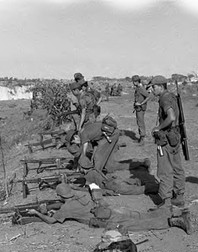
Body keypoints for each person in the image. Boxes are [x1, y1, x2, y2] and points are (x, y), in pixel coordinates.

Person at [24, 184, 191, 234]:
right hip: (112, 210)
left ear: (61, 197)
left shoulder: (67, 208)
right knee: (142, 215)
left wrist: (37, 213)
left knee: (141, 225)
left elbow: (52, 221)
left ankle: (174, 221)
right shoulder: (79, 193)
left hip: (106, 220)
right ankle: (176, 210)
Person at [149, 75, 186, 208]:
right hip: (175, 136)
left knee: (164, 169)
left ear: (160, 86)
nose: (152, 90)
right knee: (177, 167)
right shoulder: (171, 96)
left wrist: (158, 127)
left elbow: (171, 117)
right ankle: (179, 196)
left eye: (153, 87)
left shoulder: (164, 98)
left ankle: (165, 200)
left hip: (166, 138)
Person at [66, 119, 150, 173]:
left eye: (74, 142)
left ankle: (95, 177)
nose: (76, 144)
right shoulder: (84, 130)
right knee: (110, 167)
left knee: (98, 159)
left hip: (111, 136)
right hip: (109, 136)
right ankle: (140, 163)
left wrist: (80, 164)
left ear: (75, 137)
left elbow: (83, 153)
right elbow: (95, 145)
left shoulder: (83, 135)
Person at [132, 75, 152, 144]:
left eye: (134, 81)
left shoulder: (141, 88)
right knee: (139, 122)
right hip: (138, 108)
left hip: (140, 108)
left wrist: (141, 103)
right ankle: (141, 138)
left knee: (140, 122)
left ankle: (142, 138)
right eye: (133, 81)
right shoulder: (138, 88)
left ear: (137, 81)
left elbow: (148, 96)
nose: (133, 83)